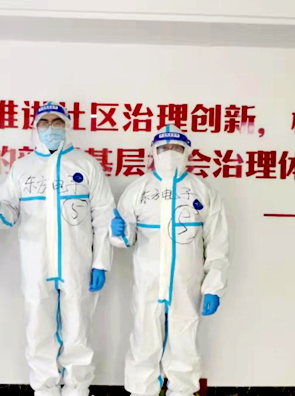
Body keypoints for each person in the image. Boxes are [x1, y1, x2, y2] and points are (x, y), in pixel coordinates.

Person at [0, 102, 115, 396]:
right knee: (38, 328)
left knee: (78, 328)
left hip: (76, 262)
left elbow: (104, 215)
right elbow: (8, 212)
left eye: (57, 122)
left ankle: (77, 389)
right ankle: (44, 389)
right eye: (45, 122)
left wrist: (100, 262)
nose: (51, 128)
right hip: (36, 262)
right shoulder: (23, 167)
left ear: (67, 127)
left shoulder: (86, 165)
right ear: (35, 128)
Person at [110, 125, 230, 396]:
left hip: (186, 284)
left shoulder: (202, 191)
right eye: (163, 148)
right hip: (148, 282)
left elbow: (218, 243)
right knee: (144, 342)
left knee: (184, 344)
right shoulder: (138, 189)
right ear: (153, 152)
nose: (170, 153)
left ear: (187, 152)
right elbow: (125, 238)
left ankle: (182, 392)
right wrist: (119, 232)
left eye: (176, 148)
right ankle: (141, 392)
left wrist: (213, 286)